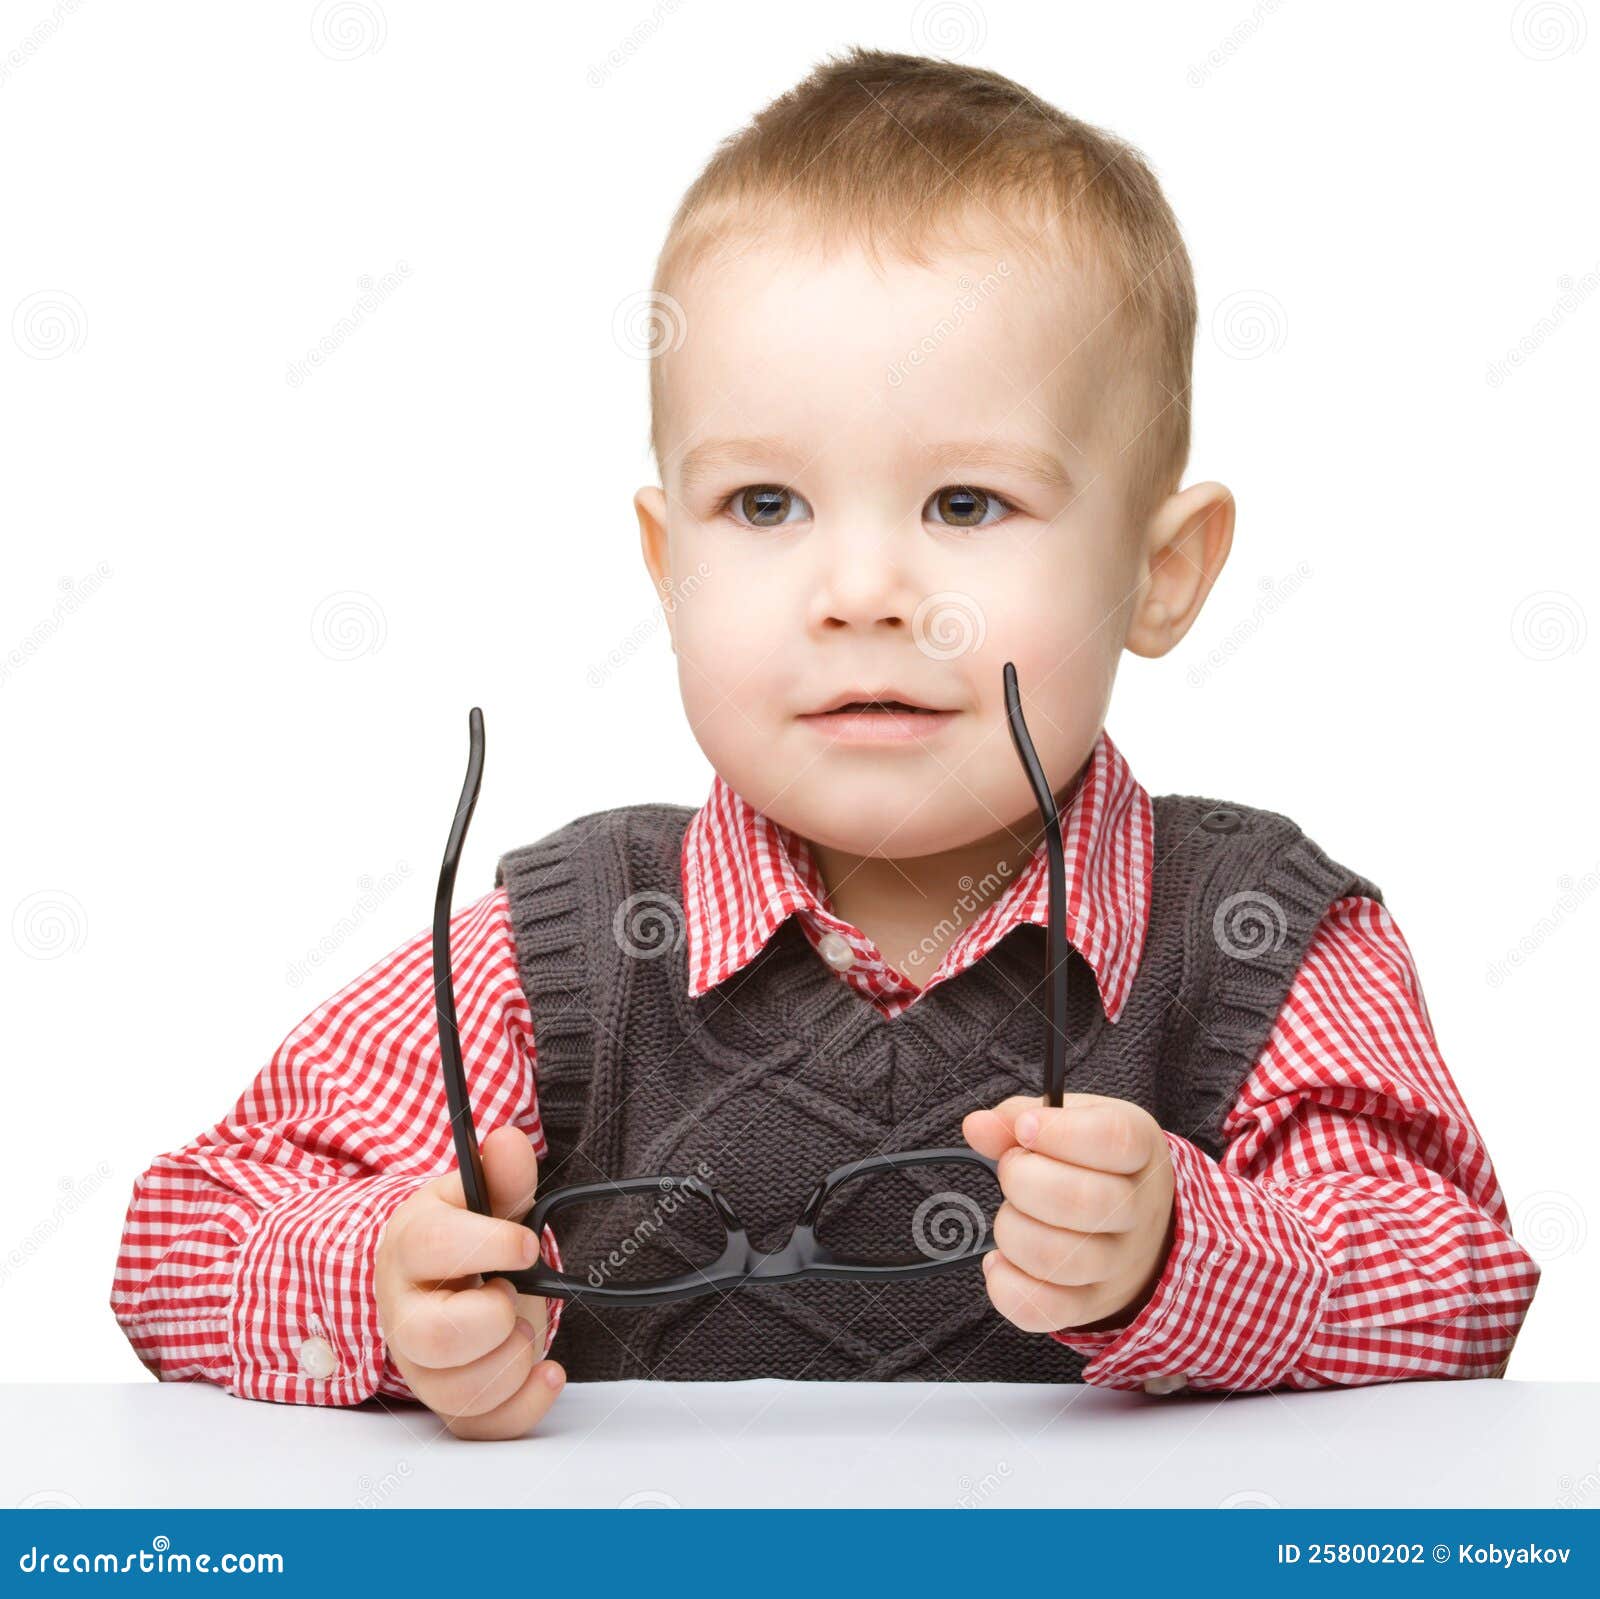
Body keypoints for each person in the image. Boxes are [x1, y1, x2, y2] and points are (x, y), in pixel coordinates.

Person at [111, 47, 1540, 1439]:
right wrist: (379, 1287)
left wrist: (1194, 1256)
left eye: (967, 504)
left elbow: (1465, 1291)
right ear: (668, 567)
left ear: (1160, 573)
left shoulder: (1260, 942)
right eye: (765, 506)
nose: (860, 594)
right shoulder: (554, 964)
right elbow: (182, 1241)